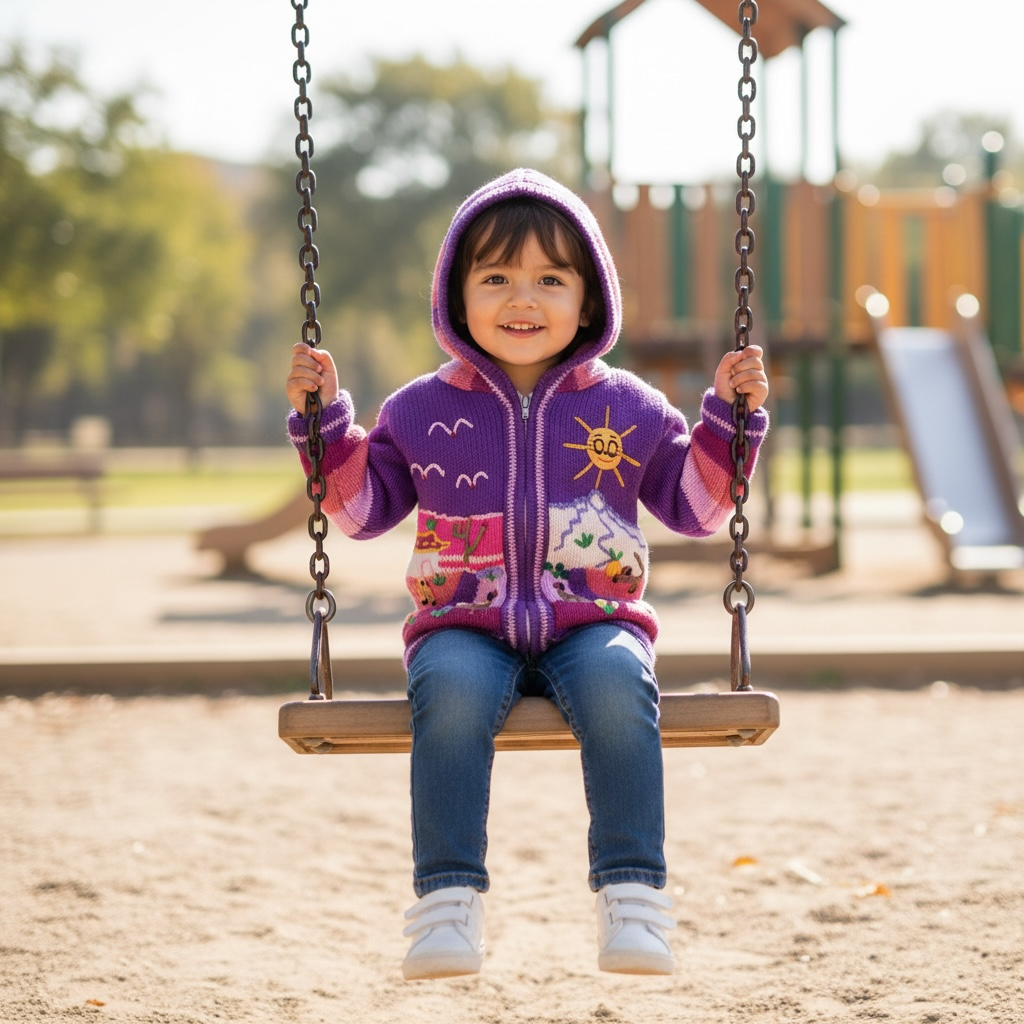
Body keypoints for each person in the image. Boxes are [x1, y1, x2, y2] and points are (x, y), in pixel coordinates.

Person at [285, 168, 769, 981]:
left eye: (551, 278)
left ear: (588, 301)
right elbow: (363, 510)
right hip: (462, 627)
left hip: (594, 621)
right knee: (450, 696)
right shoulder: (414, 411)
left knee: (622, 688)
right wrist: (325, 425)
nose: (524, 297)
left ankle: (633, 895)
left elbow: (696, 508)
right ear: (457, 298)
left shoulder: (632, 407)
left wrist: (729, 421)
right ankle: (446, 904)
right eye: (497, 277)